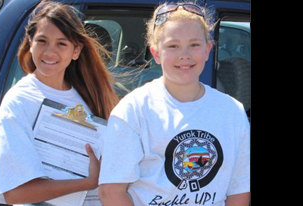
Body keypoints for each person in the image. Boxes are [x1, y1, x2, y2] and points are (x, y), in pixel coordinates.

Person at [98, 1, 250, 206]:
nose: (184, 55)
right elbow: (111, 192)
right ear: (156, 53)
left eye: (194, 45)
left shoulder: (233, 112)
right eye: (173, 46)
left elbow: (239, 191)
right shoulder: (133, 110)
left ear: (208, 50)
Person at [0, 0, 119, 205]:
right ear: (30, 44)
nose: (50, 52)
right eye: (42, 41)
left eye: (61, 43)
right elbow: (13, 193)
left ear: (76, 51)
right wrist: (87, 182)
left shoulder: (90, 97)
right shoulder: (19, 101)